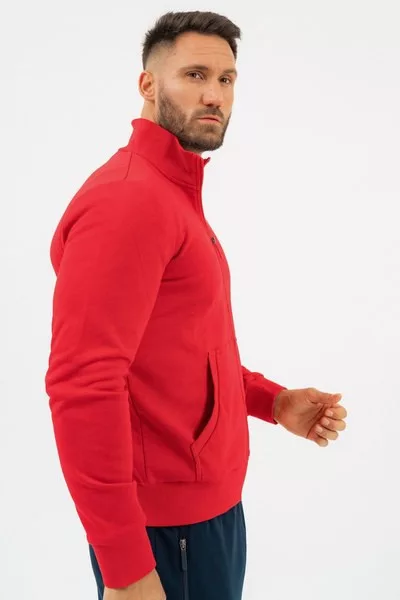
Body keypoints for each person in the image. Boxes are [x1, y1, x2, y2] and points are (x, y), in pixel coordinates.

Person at [44, 10, 347, 600]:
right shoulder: (129, 201)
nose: (215, 95)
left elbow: (180, 350)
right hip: (165, 532)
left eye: (227, 79)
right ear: (148, 84)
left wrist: (270, 401)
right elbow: (82, 385)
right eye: (195, 75)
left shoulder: (170, 193)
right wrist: (127, 568)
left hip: (205, 514)